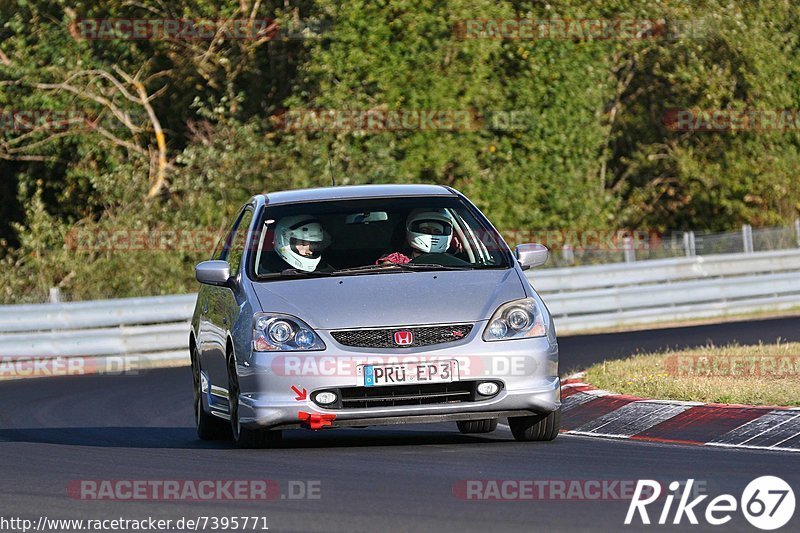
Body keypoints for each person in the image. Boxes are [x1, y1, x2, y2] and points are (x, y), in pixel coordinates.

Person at [377, 209, 457, 265]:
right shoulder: (398, 259)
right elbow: (386, 268)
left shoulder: (452, 261)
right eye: (425, 230)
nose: (431, 234)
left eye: (437, 231)